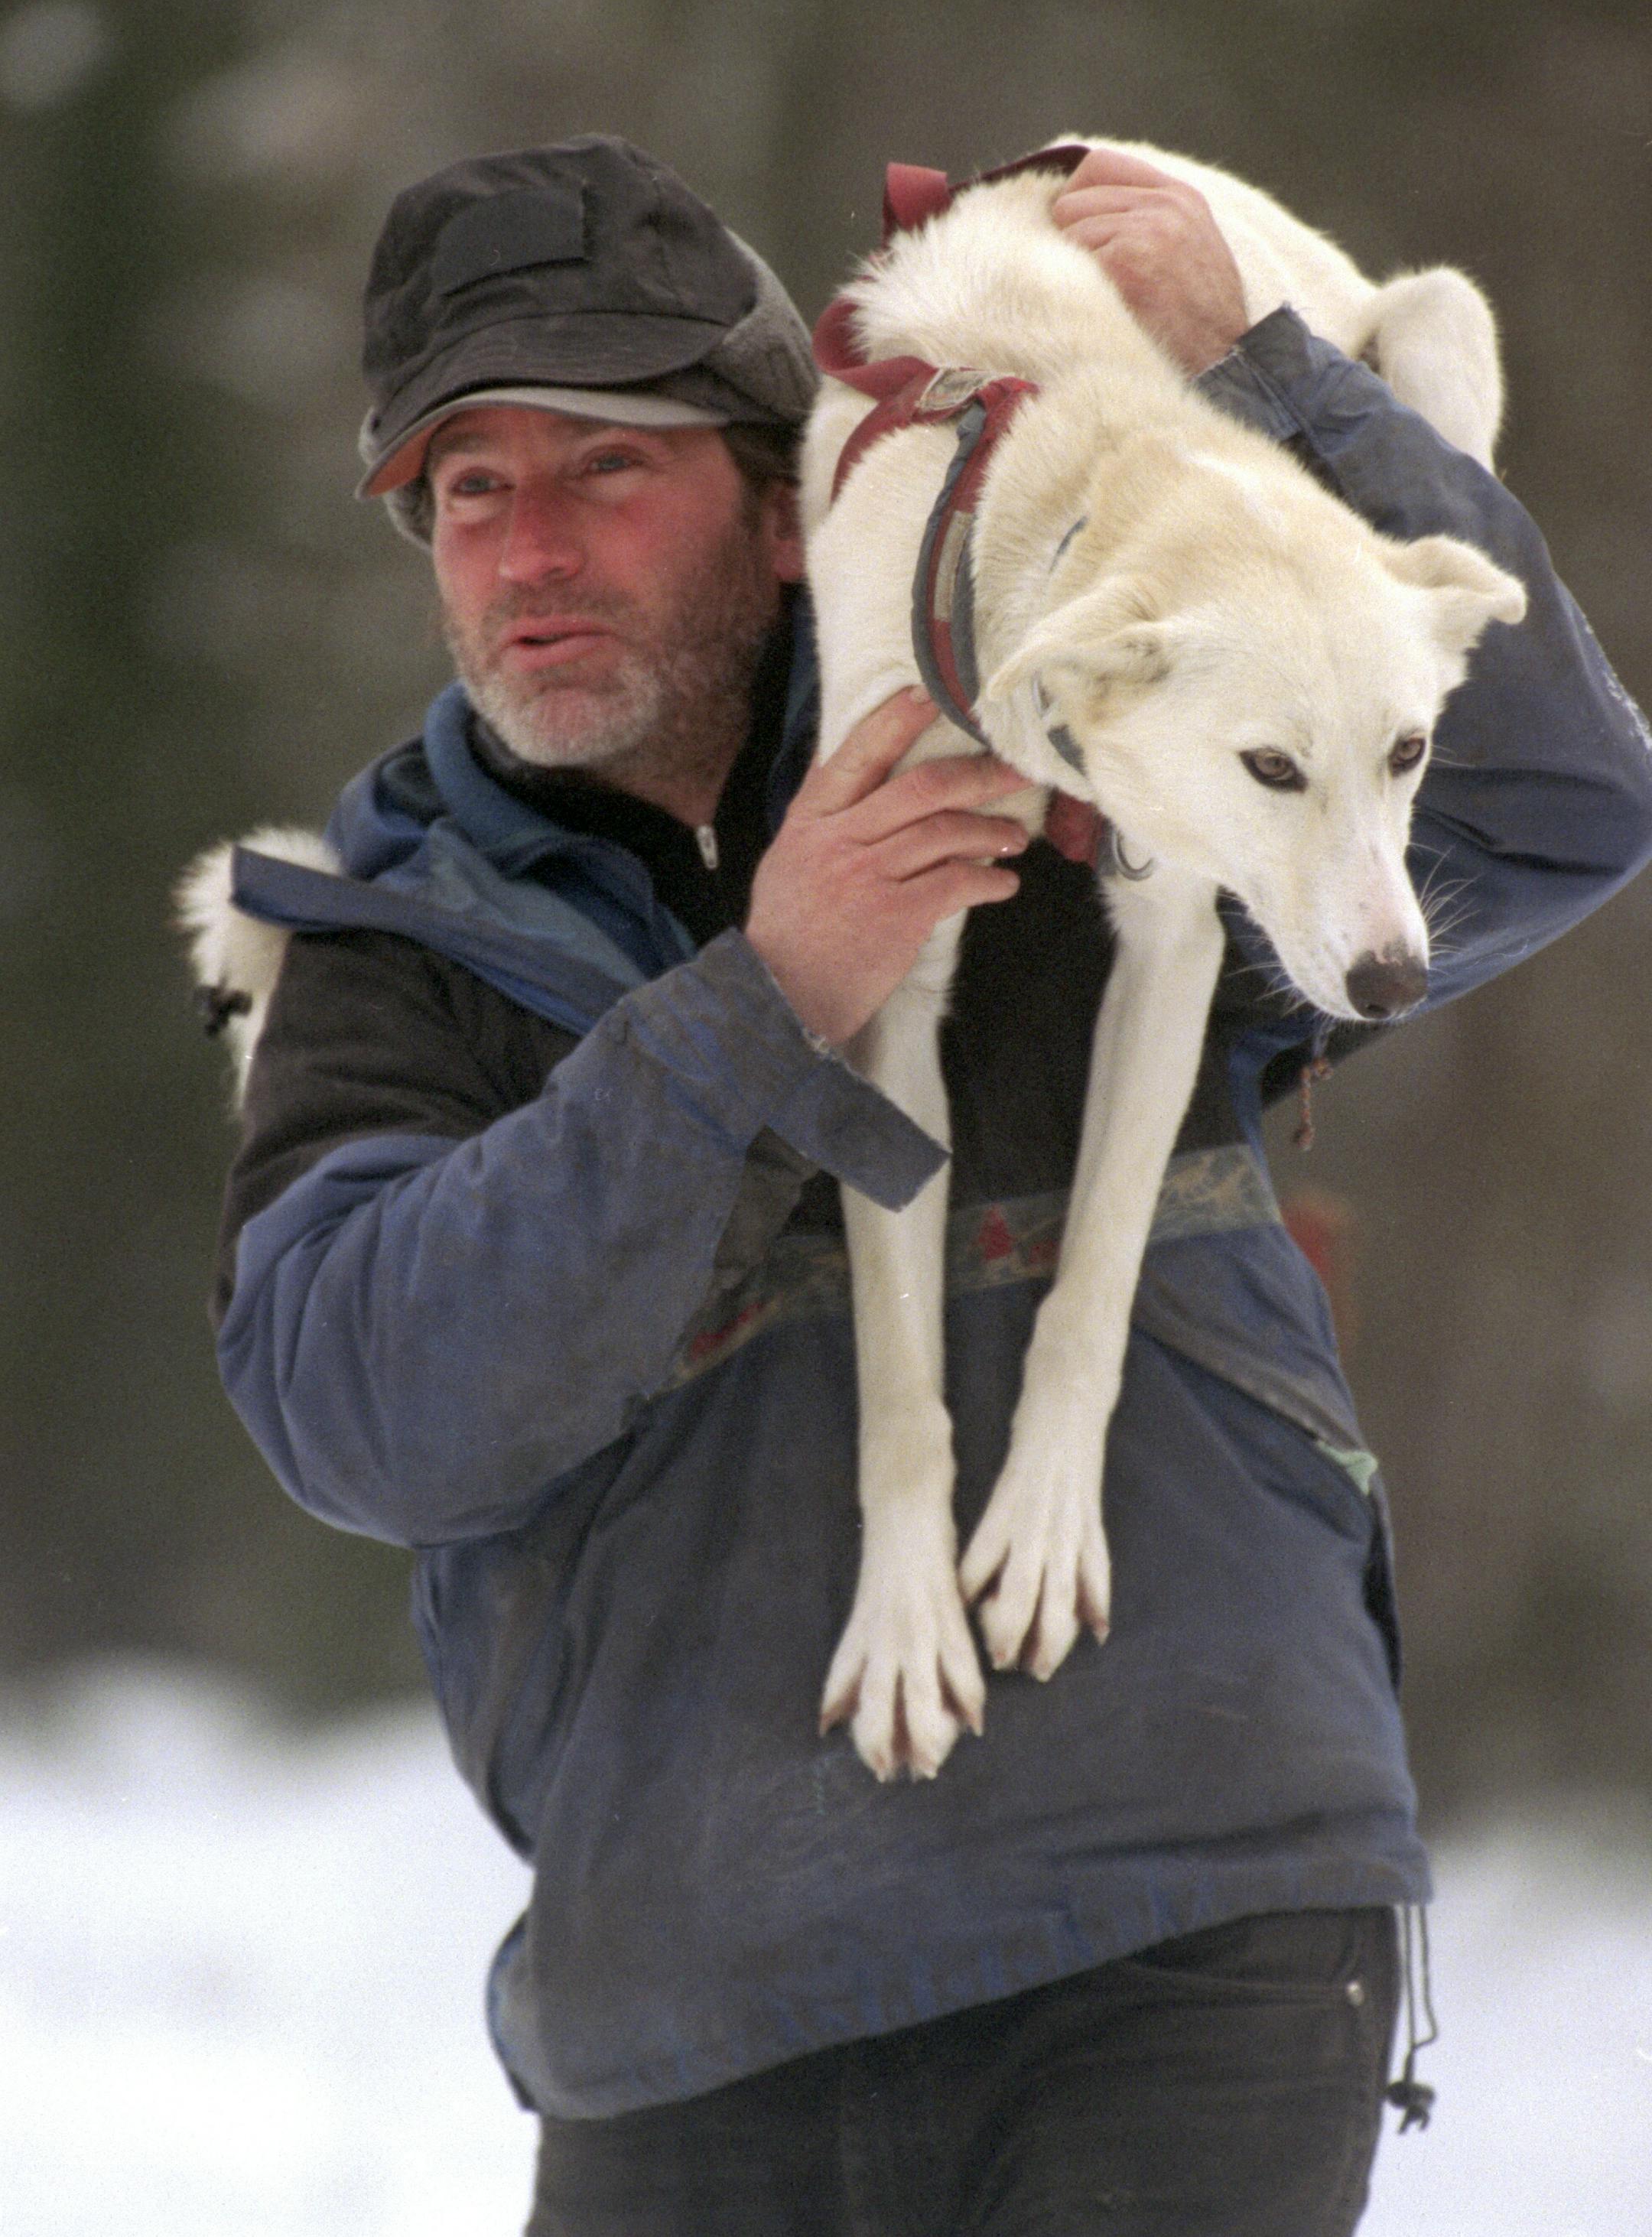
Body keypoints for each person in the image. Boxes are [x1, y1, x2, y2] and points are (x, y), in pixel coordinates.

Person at [190, 132, 1652, 2236]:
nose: (528, 550)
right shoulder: (392, 933)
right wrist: (763, 999)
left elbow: (1546, 808)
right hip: (693, 1995)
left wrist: (1272, 387)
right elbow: (372, 1413)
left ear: (792, 507)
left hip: (1184, 1930)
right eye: (468, 491)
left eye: (606, 469)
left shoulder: (1109, 713)